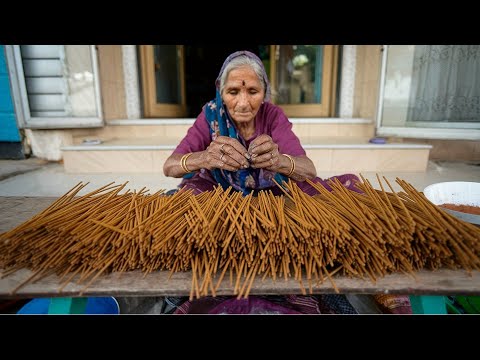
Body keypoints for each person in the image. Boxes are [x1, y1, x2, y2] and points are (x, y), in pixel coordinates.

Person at [161, 50, 411, 314]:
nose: (243, 103)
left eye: (253, 92)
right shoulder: (210, 115)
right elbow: (170, 166)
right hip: (222, 194)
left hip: (277, 196)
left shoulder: (273, 116)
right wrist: (205, 157)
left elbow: (308, 169)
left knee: (339, 197)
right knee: (182, 202)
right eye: (233, 92)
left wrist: (279, 161)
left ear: (265, 91)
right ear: (219, 90)